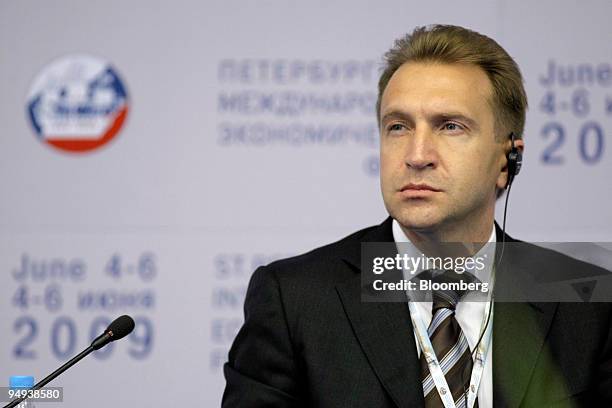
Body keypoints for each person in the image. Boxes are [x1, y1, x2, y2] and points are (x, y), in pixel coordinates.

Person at [222, 24, 612, 407]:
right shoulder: (295, 299)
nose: (417, 155)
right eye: (397, 126)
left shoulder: (589, 303)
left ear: (507, 160)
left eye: (450, 126)